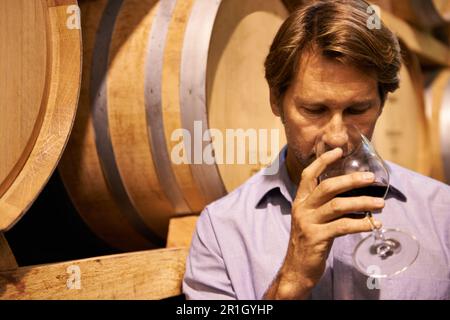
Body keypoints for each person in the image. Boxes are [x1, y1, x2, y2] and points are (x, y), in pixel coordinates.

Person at [182, 0, 450, 299]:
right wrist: (291, 280)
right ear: (275, 100)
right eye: (314, 109)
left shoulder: (441, 211)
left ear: (382, 103)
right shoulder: (221, 231)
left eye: (358, 109)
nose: (336, 137)